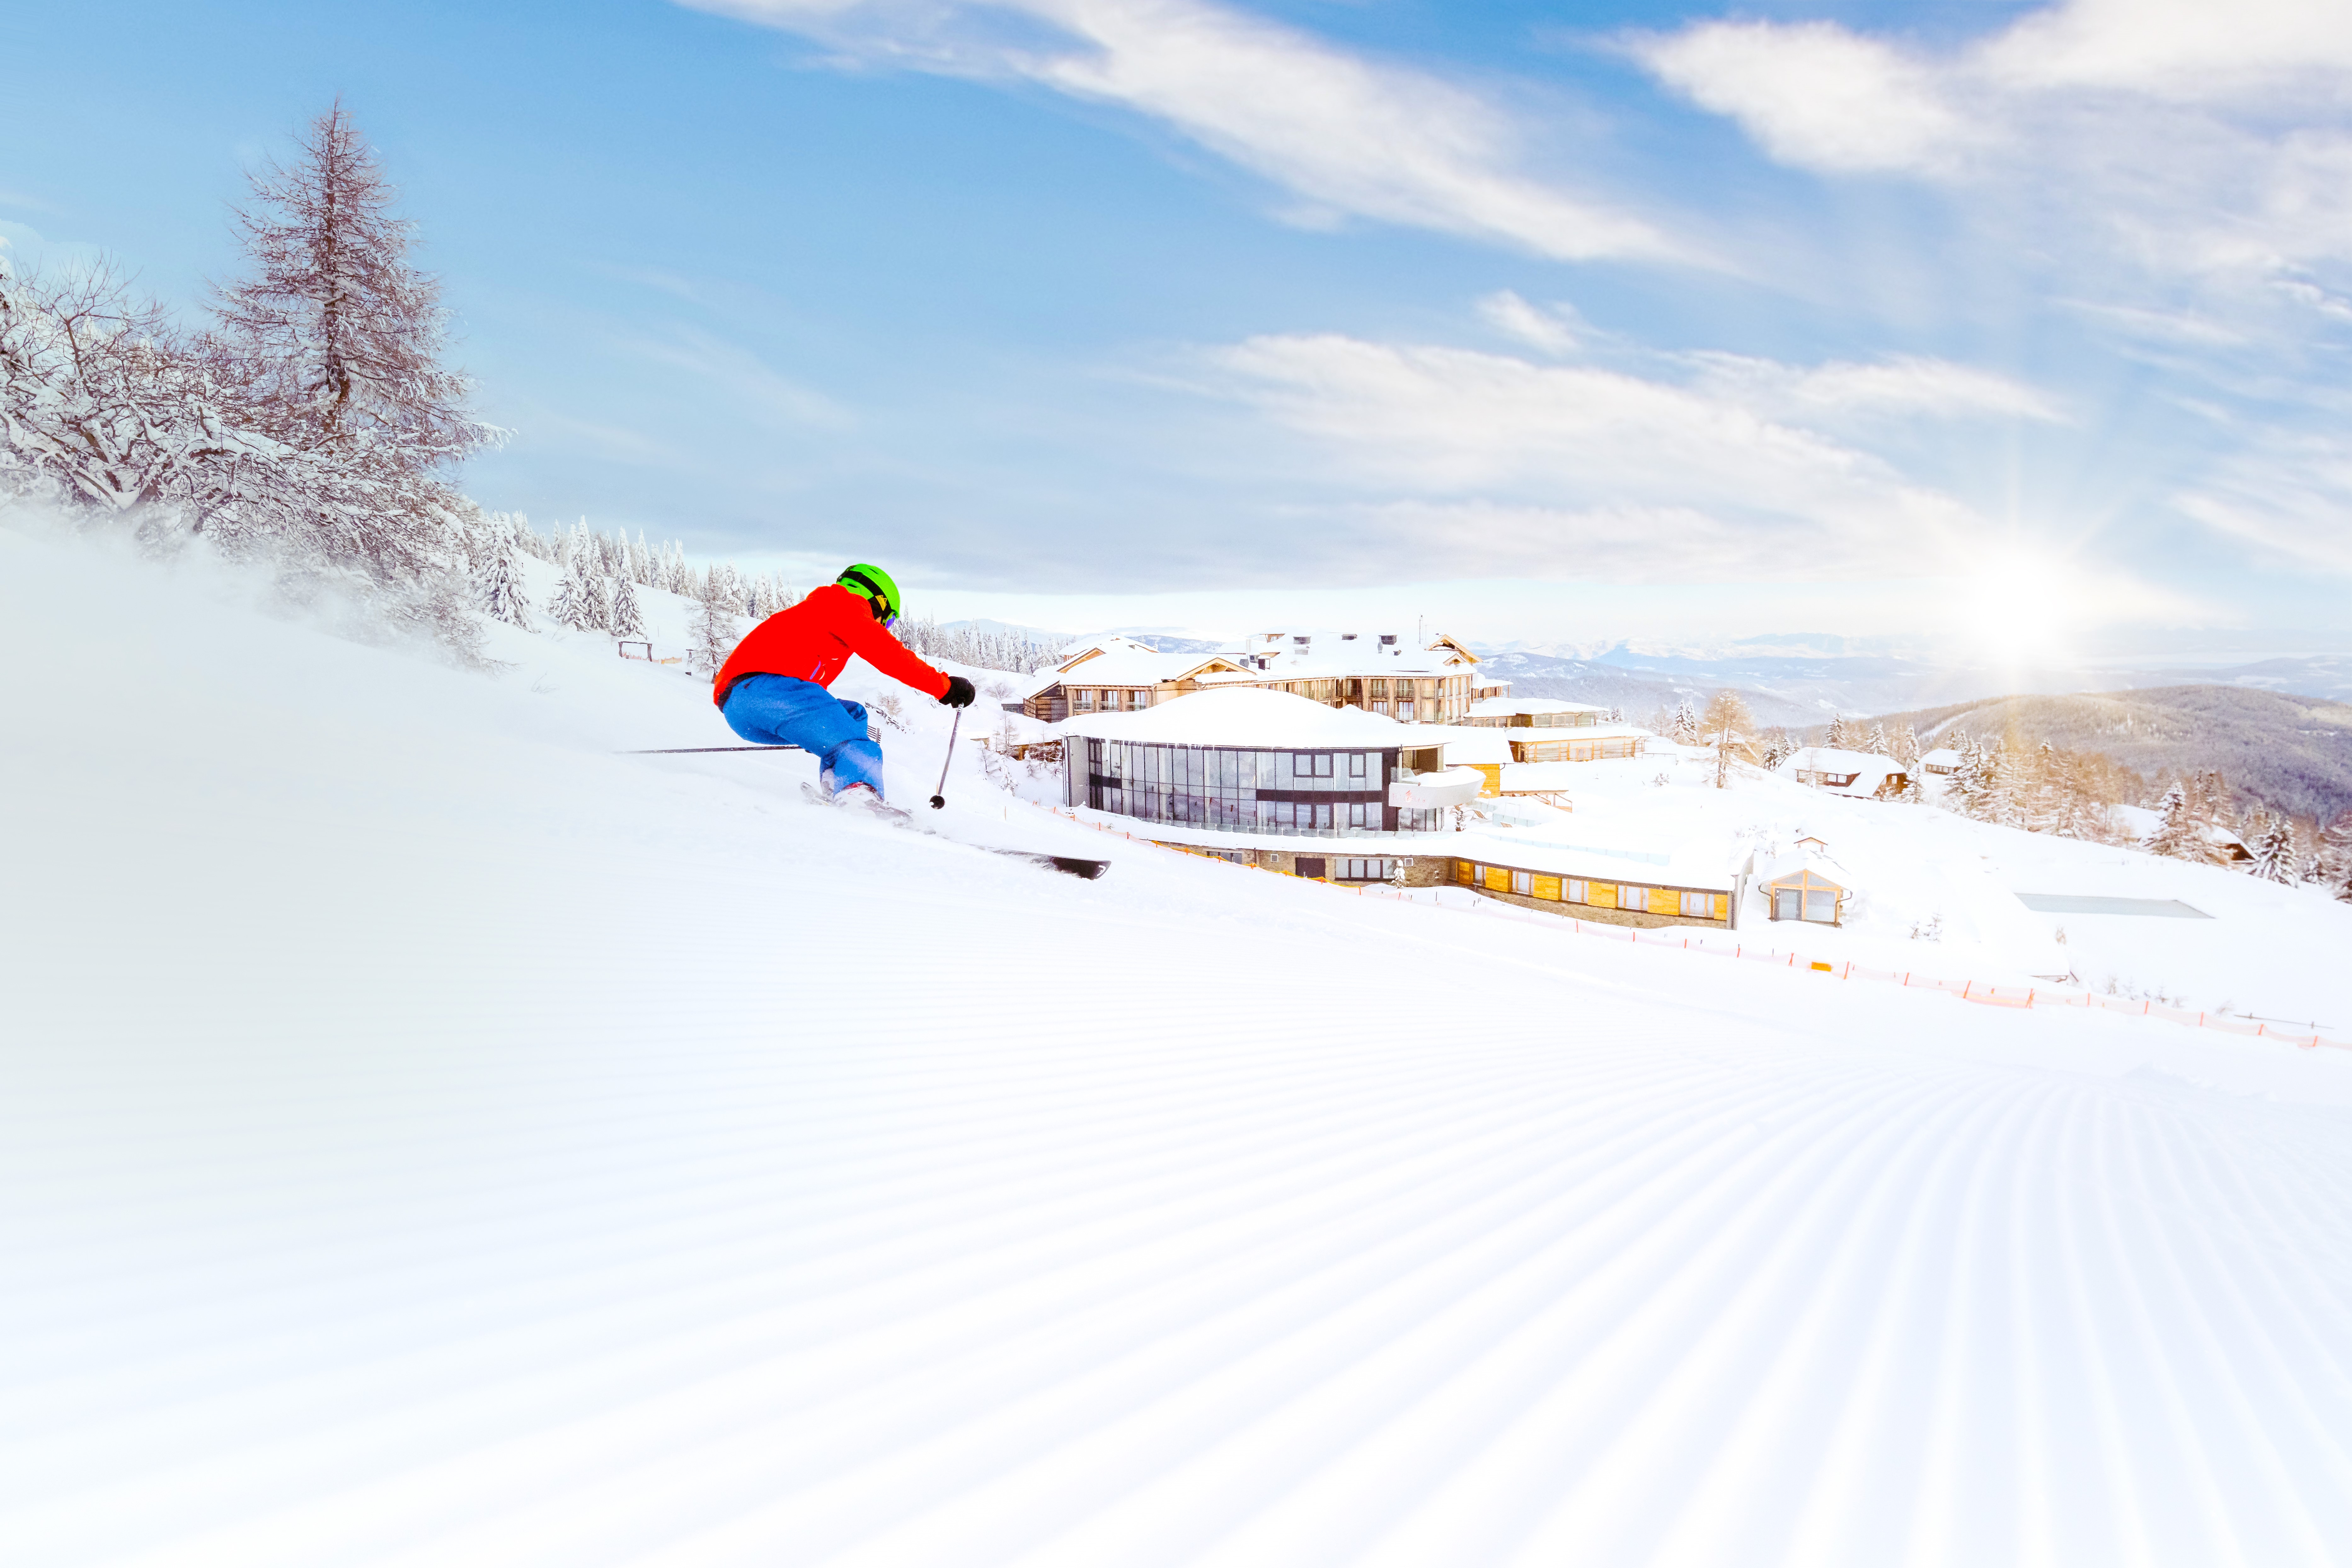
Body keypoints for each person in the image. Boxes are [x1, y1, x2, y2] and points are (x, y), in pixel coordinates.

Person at [712, 563, 976, 805]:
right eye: (890, 620)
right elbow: (888, 654)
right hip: (767, 692)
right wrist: (945, 687)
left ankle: (837, 783)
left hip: (744, 707)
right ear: (879, 602)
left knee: (852, 715)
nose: (886, 626)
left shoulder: (820, 613)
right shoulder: (843, 606)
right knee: (858, 745)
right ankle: (860, 795)